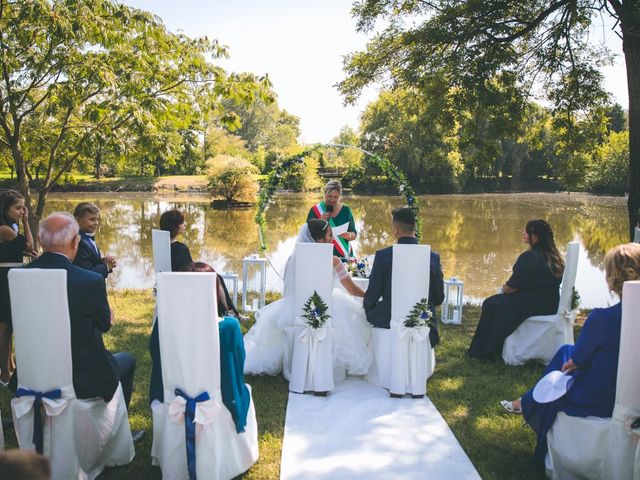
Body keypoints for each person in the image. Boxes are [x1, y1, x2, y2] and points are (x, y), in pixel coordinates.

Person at [500, 242, 640, 469]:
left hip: (601, 400)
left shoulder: (603, 319)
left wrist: (576, 362)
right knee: (566, 353)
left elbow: (581, 359)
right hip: (632, 397)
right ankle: (525, 402)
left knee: (564, 361)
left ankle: (527, 402)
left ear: (613, 279)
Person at [13, 213, 138, 418]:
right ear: (74, 241)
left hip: (33, 374)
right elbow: (105, 324)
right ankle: (116, 424)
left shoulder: (20, 276)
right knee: (128, 360)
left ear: (42, 241)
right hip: (82, 376)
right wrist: (108, 316)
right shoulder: (89, 280)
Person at [244, 218, 372, 379]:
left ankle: (297, 361)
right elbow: (352, 289)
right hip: (328, 308)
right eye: (329, 235)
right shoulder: (334, 261)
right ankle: (327, 365)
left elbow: (289, 289)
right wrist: (371, 295)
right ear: (318, 239)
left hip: (297, 309)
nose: (332, 239)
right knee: (354, 320)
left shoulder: (293, 260)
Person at [149, 262, 250, 432]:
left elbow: (155, 355)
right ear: (215, 291)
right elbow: (237, 364)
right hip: (217, 401)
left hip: (174, 399)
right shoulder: (228, 327)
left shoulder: (164, 324)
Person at [468, 219, 564, 360]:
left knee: (491, 304)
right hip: (551, 302)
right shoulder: (556, 257)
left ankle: (484, 350)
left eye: (527, 232)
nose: (523, 234)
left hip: (533, 303)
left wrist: (504, 288)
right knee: (498, 303)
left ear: (536, 237)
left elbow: (512, 287)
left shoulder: (530, 257)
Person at [364, 207, 445, 347]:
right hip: (423, 321)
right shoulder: (432, 257)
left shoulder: (383, 256)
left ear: (396, 230)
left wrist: (370, 309)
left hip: (388, 320)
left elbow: (372, 295)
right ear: (414, 228)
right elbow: (439, 297)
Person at [0, 190, 34, 385]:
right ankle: (4, 373)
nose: (22, 211)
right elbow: (28, 246)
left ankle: (10, 365)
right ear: (5, 209)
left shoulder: (11, 227)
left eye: (24, 207)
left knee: (9, 325)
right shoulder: (4, 229)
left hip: (11, 276)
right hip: (4, 278)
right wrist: (27, 222)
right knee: (4, 326)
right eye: (18, 207)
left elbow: (24, 248)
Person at [307, 180, 357, 258]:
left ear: (339, 197)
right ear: (324, 194)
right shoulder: (315, 211)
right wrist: (319, 222)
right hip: (321, 256)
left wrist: (349, 235)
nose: (332, 200)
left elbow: (354, 233)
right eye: (329, 196)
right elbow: (307, 236)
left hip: (344, 255)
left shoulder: (346, 211)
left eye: (335, 197)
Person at [73, 202, 116, 278]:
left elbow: (91, 262)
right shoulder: (78, 241)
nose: (96, 223)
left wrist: (104, 261)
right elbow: (85, 272)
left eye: (97, 219)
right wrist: (106, 267)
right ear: (77, 220)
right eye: (92, 219)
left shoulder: (87, 237)